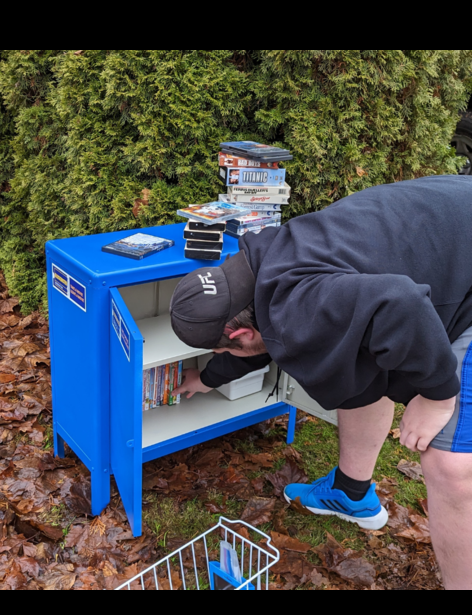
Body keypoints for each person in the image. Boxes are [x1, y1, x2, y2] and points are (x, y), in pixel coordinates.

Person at [169, 175, 472, 590]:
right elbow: (265, 341)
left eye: (223, 351)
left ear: (237, 335)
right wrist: (207, 377)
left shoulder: (299, 304)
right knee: (357, 358)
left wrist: (438, 396)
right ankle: (350, 493)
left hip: (464, 274)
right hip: (450, 225)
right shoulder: (261, 265)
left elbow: (400, 305)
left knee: (451, 465)